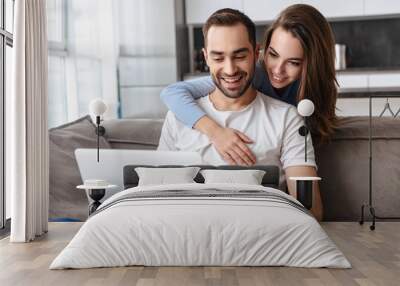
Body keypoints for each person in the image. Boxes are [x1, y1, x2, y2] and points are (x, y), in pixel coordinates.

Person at [158, 8, 323, 220]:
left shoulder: (289, 118)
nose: (229, 69)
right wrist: (215, 132)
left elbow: (311, 212)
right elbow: (156, 194)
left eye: (239, 56)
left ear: (256, 53)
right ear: (206, 57)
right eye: (218, 58)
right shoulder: (177, 117)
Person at [160, 4, 338, 166]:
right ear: (262, 50)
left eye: (293, 62)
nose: (277, 70)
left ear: (313, 64)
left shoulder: (316, 94)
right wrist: (216, 132)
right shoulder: (254, 74)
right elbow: (172, 93)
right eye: (273, 54)